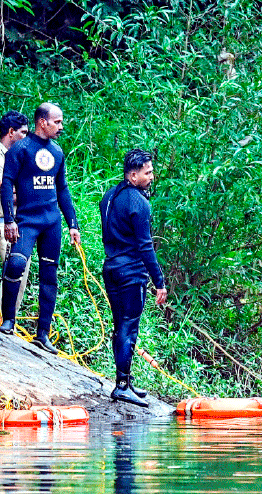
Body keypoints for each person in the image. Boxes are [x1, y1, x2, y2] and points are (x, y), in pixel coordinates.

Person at [0, 102, 81, 354]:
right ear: (42, 122)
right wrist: (10, 220)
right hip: (27, 220)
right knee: (15, 265)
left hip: (51, 221)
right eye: (57, 122)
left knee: (49, 276)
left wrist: (72, 224)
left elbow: (62, 189)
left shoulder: (57, 151)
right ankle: (8, 321)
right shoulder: (20, 149)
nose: (61, 127)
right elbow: (6, 184)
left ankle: (42, 334)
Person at [99, 149, 167, 407]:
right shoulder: (139, 202)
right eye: (147, 173)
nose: (152, 176)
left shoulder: (109, 196)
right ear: (132, 175)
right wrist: (159, 281)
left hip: (111, 268)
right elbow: (145, 245)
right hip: (131, 272)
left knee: (120, 327)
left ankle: (125, 379)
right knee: (129, 328)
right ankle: (122, 386)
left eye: (151, 171)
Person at [0, 111, 30, 307]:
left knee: (19, 272)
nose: (26, 137)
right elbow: (5, 188)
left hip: (21, 222)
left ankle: (7, 318)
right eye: (23, 132)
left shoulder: (23, 156)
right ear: (11, 132)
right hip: (0, 222)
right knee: (9, 270)